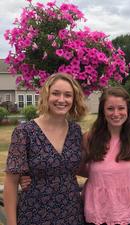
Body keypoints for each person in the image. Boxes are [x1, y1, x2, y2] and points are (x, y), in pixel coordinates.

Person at [4, 72, 88, 225]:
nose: (61, 100)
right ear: (46, 96)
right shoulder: (25, 132)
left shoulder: (76, 131)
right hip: (35, 214)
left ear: (74, 99)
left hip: (71, 214)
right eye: (56, 93)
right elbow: (11, 182)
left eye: (68, 95)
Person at [82, 87, 130, 225]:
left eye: (121, 108)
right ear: (103, 111)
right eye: (110, 108)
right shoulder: (89, 138)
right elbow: (73, 166)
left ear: (128, 110)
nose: (116, 113)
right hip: (97, 211)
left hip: (127, 211)